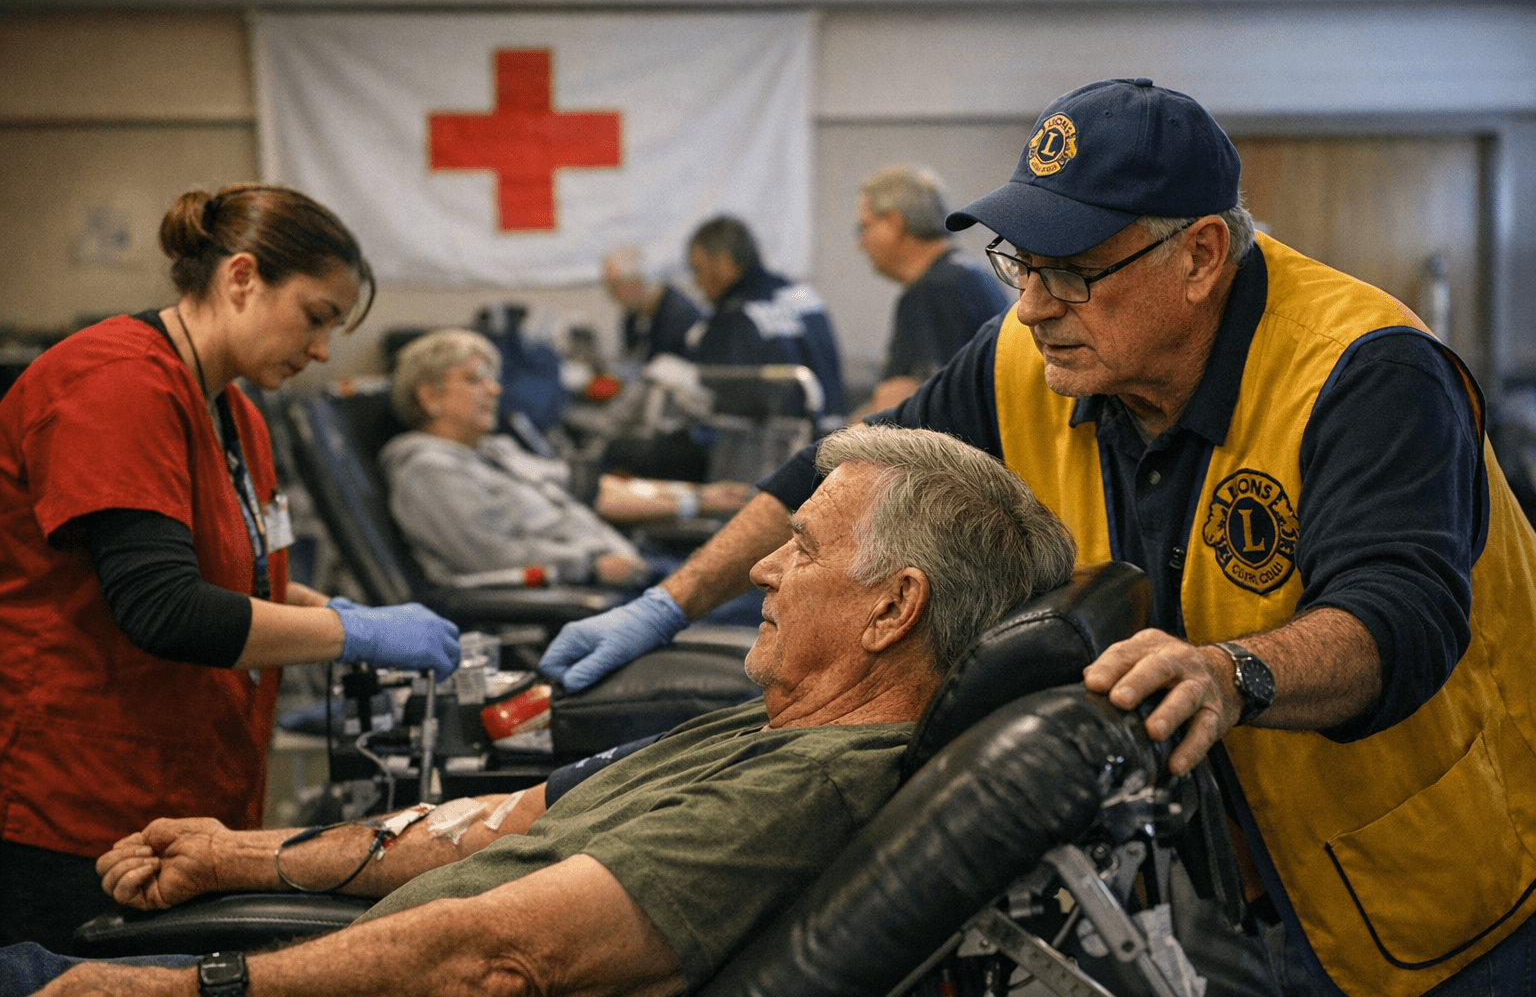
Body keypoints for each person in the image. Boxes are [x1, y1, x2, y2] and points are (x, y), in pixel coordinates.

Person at [540, 78, 1536, 996]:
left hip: (1429, 877)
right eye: (1021, 262)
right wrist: (670, 602)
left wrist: (1231, 672)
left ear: (1198, 256)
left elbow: (1397, 618)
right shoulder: (1029, 350)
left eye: (1074, 270)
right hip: (1214, 872)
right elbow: (839, 467)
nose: (1031, 304)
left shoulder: (1366, 373)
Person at [11, 424, 1077, 997]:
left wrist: (175, 990)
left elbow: (487, 957)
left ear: (893, 609)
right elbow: (506, 822)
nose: (760, 566)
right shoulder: (784, 717)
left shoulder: (806, 789)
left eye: (799, 547)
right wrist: (241, 856)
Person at [0, 184, 461, 954]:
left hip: (184, 786)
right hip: (75, 800)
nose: (321, 350)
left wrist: (319, 604)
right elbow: (165, 609)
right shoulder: (114, 384)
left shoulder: (234, 409)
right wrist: (352, 631)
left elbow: (233, 573)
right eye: (316, 317)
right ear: (242, 277)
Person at [381, 329, 750, 588]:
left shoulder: (494, 451)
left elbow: (587, 487)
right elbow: (493, 556)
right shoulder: (428, 472)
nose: (494, 389)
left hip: (628, 569)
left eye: (492, 379)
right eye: (474, 379)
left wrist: (699, 498)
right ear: (430, 396)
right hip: (588, 592)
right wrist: (588, 566)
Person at [854, 164, 1006, 416]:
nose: (861, 243)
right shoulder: (969, 277)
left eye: (865, 227)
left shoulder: (932, 292)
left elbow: (895, 405)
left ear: (894, 223)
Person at [686, 215, 848, 428]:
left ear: (723, 263)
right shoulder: (806, 296)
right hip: (836, 438)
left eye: (698, 269)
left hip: (778, 450)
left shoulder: (733, 317)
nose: (697, 282)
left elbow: (721, 405)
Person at [601, 244, 701, 366]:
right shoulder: (632, 316)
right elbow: (631, 360)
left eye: (615, 287)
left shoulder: (680, 314)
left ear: (637, 281)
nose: (612, 295)